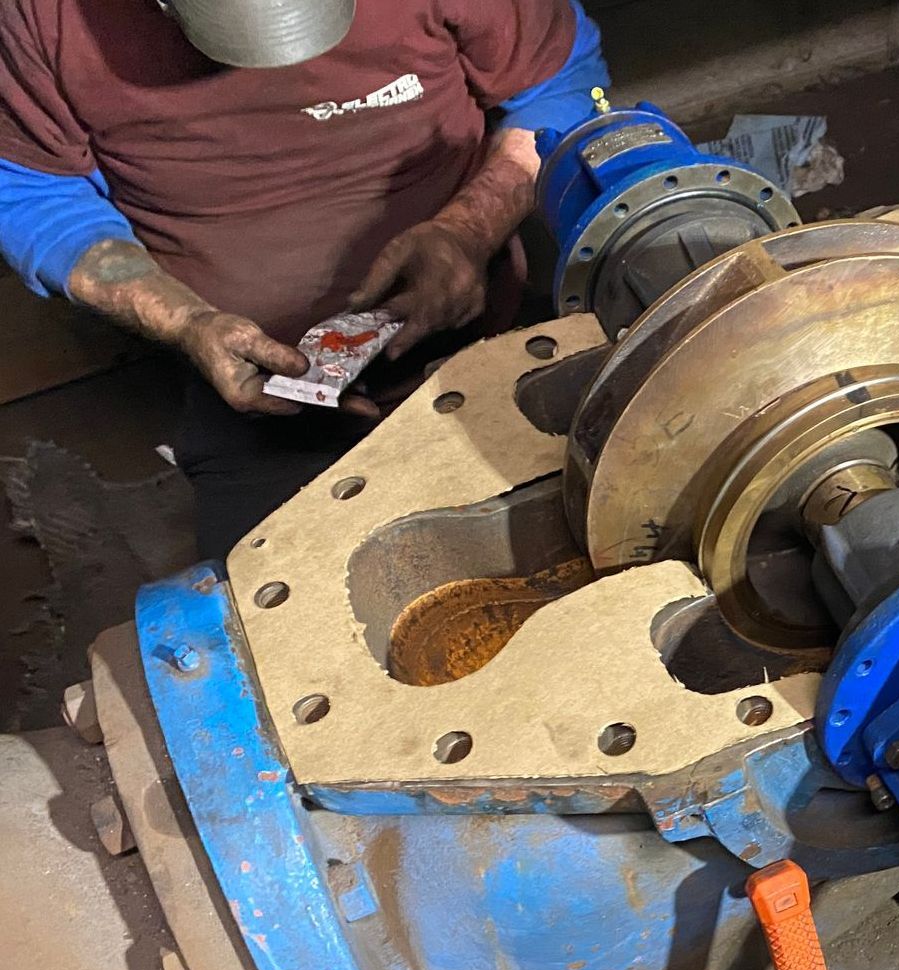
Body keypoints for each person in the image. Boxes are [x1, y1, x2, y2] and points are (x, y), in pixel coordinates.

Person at [0, 0, 608, 555]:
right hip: (252, 403)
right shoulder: (44, 17)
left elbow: (560, 86)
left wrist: (470, 232)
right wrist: (183, 320)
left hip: (491, 343)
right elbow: (31, 191)